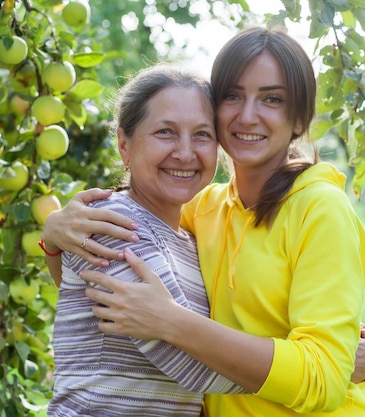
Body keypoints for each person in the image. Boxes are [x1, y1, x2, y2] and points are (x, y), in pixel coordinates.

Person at [41, 26, 365, 416]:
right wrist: (54, 236)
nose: (248, 115)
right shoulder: (197, 209)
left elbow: (318, 378)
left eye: (272, 99)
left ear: (298, 120)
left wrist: (329, 367)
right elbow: (103, 294)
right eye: (232, 96)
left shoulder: (320, 209)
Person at [43, 64, 251, 417]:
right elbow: (193, 365)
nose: (186, 153)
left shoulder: (189, 238)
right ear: (125, 145)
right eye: (166, 132)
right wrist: (318, 364)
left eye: (202, 134)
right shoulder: (112, 224)